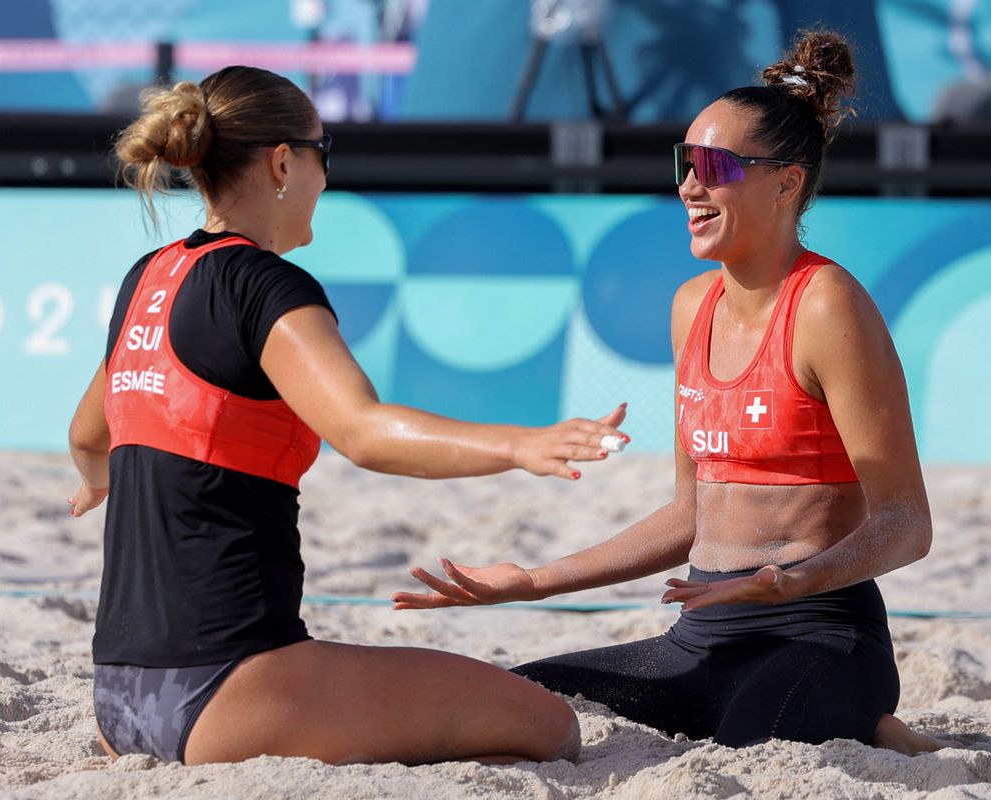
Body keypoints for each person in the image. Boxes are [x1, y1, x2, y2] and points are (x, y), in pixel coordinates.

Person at [392, 31, 950, 755]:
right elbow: (691, 513)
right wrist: (533, 582)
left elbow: (907, 522)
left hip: (816, 632)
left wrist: (789, 579)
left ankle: (869, 725)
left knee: (761, 743)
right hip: (701, 637)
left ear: (785, 183)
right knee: (503, 705)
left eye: (714, 167)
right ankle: (868, 730)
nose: (689, 185)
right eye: (685, 163)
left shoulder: (826, 304)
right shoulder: (692, 305)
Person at [66, 65, 630, 767]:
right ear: (281, 161)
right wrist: (521, 444)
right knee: (550, 725)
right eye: (321, 153)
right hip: (225, 693)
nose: (325, 178)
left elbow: (89, 435)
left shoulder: (145, 278)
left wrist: (101, 480)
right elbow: (363, 432)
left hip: (118, 703)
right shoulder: (265, 284)